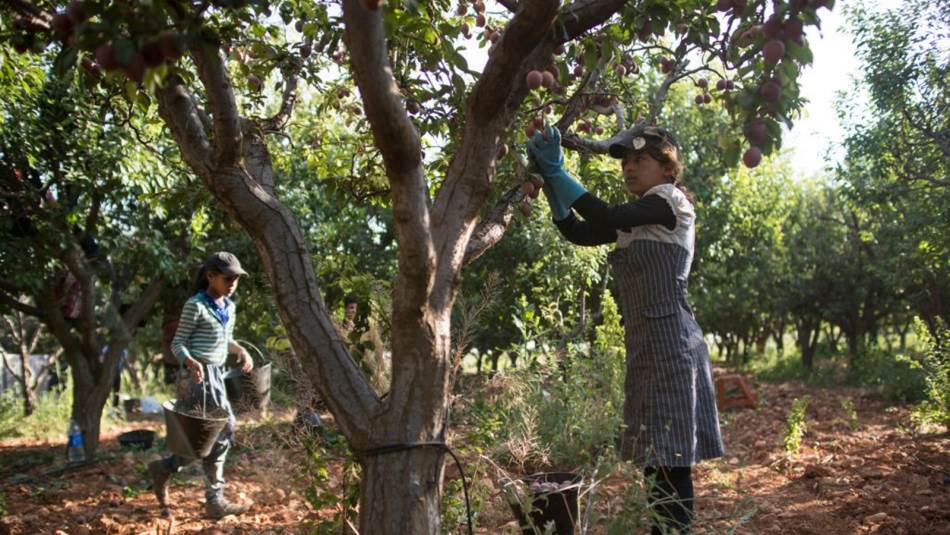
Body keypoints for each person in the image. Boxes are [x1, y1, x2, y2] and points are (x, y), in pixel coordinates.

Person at [526, 125, 724, 534]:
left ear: (667, 167)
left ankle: (671, 532)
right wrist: (551, 185)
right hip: (648, 347)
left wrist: (559, 172)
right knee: (656, 459)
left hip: (672, 345)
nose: (630, 168)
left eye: (641, 160)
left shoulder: (670, 202)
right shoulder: (639, 218)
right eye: (627, 162)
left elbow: (606, 215)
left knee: (670, 460)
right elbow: (580, 232)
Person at [148, 251, 254, 519]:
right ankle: (212, 498)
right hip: (196, 377)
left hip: (217, 376)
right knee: (215, 432)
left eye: (236, 279)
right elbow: (178, 343)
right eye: (227, 278)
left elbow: (224, 340)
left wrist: (241, 350)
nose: (232, 284)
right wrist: (190, 361)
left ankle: (169, 469)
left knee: (212, 436)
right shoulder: (195, 305)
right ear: (211, 276)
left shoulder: (229, 306)